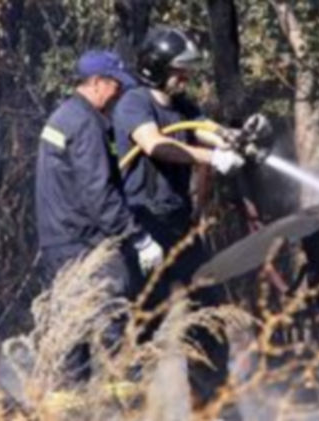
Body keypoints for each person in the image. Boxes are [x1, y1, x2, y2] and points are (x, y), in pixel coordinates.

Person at [112, 25, 263, 407]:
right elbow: (154, 144)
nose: (187, 77)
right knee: (142, 326)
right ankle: (131, 409)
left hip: (181, 229)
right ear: (157, 68)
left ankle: (213, 406)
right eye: (181, 70)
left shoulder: (183, 105)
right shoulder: (135, 103)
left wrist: (237, 138)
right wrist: (211, 158)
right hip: (145, 230)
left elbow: (207, 130)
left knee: (209, 318)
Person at [34, 49, 164, 385]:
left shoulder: (64, 116)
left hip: (61, 243)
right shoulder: (86, 124)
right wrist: (139, 237)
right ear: (95, 83)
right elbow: (99, 194)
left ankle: (69, 408)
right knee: (115, 333)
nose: (119, 92)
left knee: (72, 336)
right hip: (85, 246)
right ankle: (128, 407)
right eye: (115, 85)